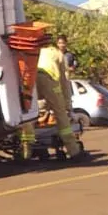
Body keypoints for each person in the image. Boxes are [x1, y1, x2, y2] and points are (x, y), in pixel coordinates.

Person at [17, 34, 88, 162]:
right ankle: (74, 151)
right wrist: (68, 107)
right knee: (61, 115)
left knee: (29, 115)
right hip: (49, 80)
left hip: (31, 79)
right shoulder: (58, 54)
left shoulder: (35, 51)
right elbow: (64, 82)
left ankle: (26, 153)